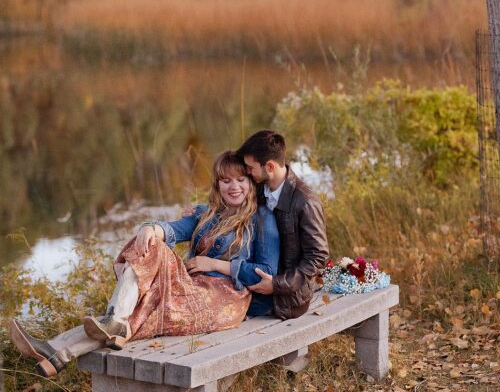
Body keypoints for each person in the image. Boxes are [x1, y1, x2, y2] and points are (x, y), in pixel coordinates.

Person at [6, 151, 278, 378]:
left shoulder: (261, 218)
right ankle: (103, 328)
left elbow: (265, 273)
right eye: (226, 180)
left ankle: (61, 347)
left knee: (139, 308)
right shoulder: (205, 214)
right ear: (217, 185)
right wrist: (151, 228)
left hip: (225, 300)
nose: (234, 187)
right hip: (192, 289)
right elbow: (174, 228)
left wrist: (216, 265)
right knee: (151, 246)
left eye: (241, 180)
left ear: (251, 183)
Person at [236, 129, 330, 319]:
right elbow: (231, 204)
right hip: (253, 284)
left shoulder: (305, 202)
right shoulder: (258, 190)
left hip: (287, 298)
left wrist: (276, 284)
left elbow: (318, 256)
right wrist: (199, 211)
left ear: (269, 166)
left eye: (250, 167)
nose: (247, 171)